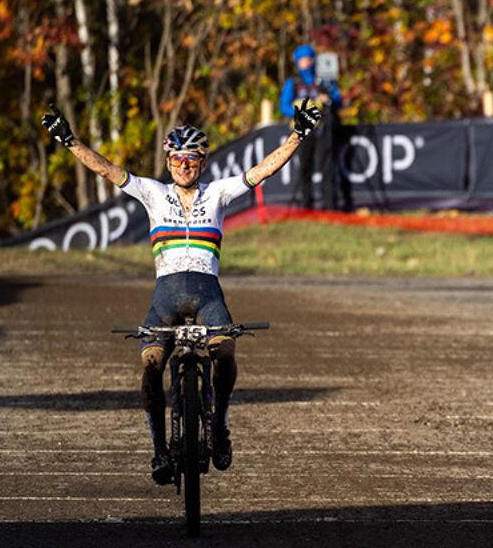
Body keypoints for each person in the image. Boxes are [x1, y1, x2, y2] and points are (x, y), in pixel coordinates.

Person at [40, 100, 323, 484]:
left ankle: (220, 428)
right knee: (150, 366)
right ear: (168, 162)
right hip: (165, 299)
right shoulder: (153, 193)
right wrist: (69, 140)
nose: (184, 166)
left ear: (203, 162)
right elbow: (106, 168)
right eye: (177, 160)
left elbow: (263, 169)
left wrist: (298, 135)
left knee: (225, 352)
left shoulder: (218, 193)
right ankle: (159, 449)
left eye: (191, 159)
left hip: (208, 295)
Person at [280, 45, 344, 210]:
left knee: (327, 169)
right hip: (303, 133)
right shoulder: (293, 84)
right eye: (302, 60)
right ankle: (306, 207)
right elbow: (284, 107)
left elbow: (337, 100)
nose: (306, 63)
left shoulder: (324, 81)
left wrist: (328, 97)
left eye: (308, 59)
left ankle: (330, 207)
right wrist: (302, 111)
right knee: (304, 168)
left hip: (323, 131)